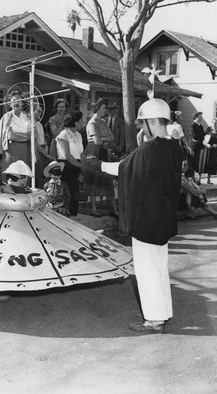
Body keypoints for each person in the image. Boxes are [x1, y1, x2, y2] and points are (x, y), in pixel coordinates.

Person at [86, 97, 182, 332]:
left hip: (146, 219)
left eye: (142, 123)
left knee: (146, 270)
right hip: (162, 218)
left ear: (150, 121)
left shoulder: (150, 149)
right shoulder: (173, 146)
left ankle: (154, 319)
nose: (140, 128)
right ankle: (163, 312)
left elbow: (124, 167)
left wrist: (95, 164)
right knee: (159, 267)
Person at [83, 99, 118, 218]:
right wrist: (105, 139)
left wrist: (103, 139)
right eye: (104, 108)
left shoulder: (102, 122)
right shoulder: (92, 123)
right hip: (94, 152)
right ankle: (93, 209)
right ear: (97, 109)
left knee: (108, 178)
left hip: (103, 151)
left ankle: (114, 210)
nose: (105, 110)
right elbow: (97, 141)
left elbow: (112, 136)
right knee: (94, 179)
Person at [0, 90, 32, 178]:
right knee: (9, 172)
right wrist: (0, 147)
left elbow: (31, 134)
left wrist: (15, 134)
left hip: (25, 148)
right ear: (10, 104)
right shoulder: (6, 117)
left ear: (22, 103)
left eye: (18, 100)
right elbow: (2, 134)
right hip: (10, 148)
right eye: (14, 101)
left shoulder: (27, 117)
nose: (16, 103)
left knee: (24, 172)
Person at [55, 112, 85, 216]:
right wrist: (80, 166)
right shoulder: (63, 134)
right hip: (66, 165)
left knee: (75, 192)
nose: (83, 123)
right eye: (81, 120)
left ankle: (72, 213)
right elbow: (67, 155)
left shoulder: (79, 135)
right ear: (76, 122)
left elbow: (82, 154)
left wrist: (82, 170)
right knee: (66, 191)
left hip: (77, 165)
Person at [199, 118, 217, 184]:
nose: (214, 124)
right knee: (203, 164)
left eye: (215, 122)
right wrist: (207, 144)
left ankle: (208, 180)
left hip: (213, 150)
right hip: (206, 149)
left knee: (211, 164)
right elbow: (203, 140)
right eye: (212, 122)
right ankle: (199, 179)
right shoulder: (208, 129)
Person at [188, 111, 205, 182]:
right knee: (191, 162)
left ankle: (195, 178)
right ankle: (191, 177)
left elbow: (203, 135)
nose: (200, 118)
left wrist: (202, 137)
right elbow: (194, 136)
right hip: (193, 146)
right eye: (199, 117)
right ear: (195, 117)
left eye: (201, 117)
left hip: (199, 146)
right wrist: (201, 137)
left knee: (197, 163)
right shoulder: (192, 125)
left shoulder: (200, 126)